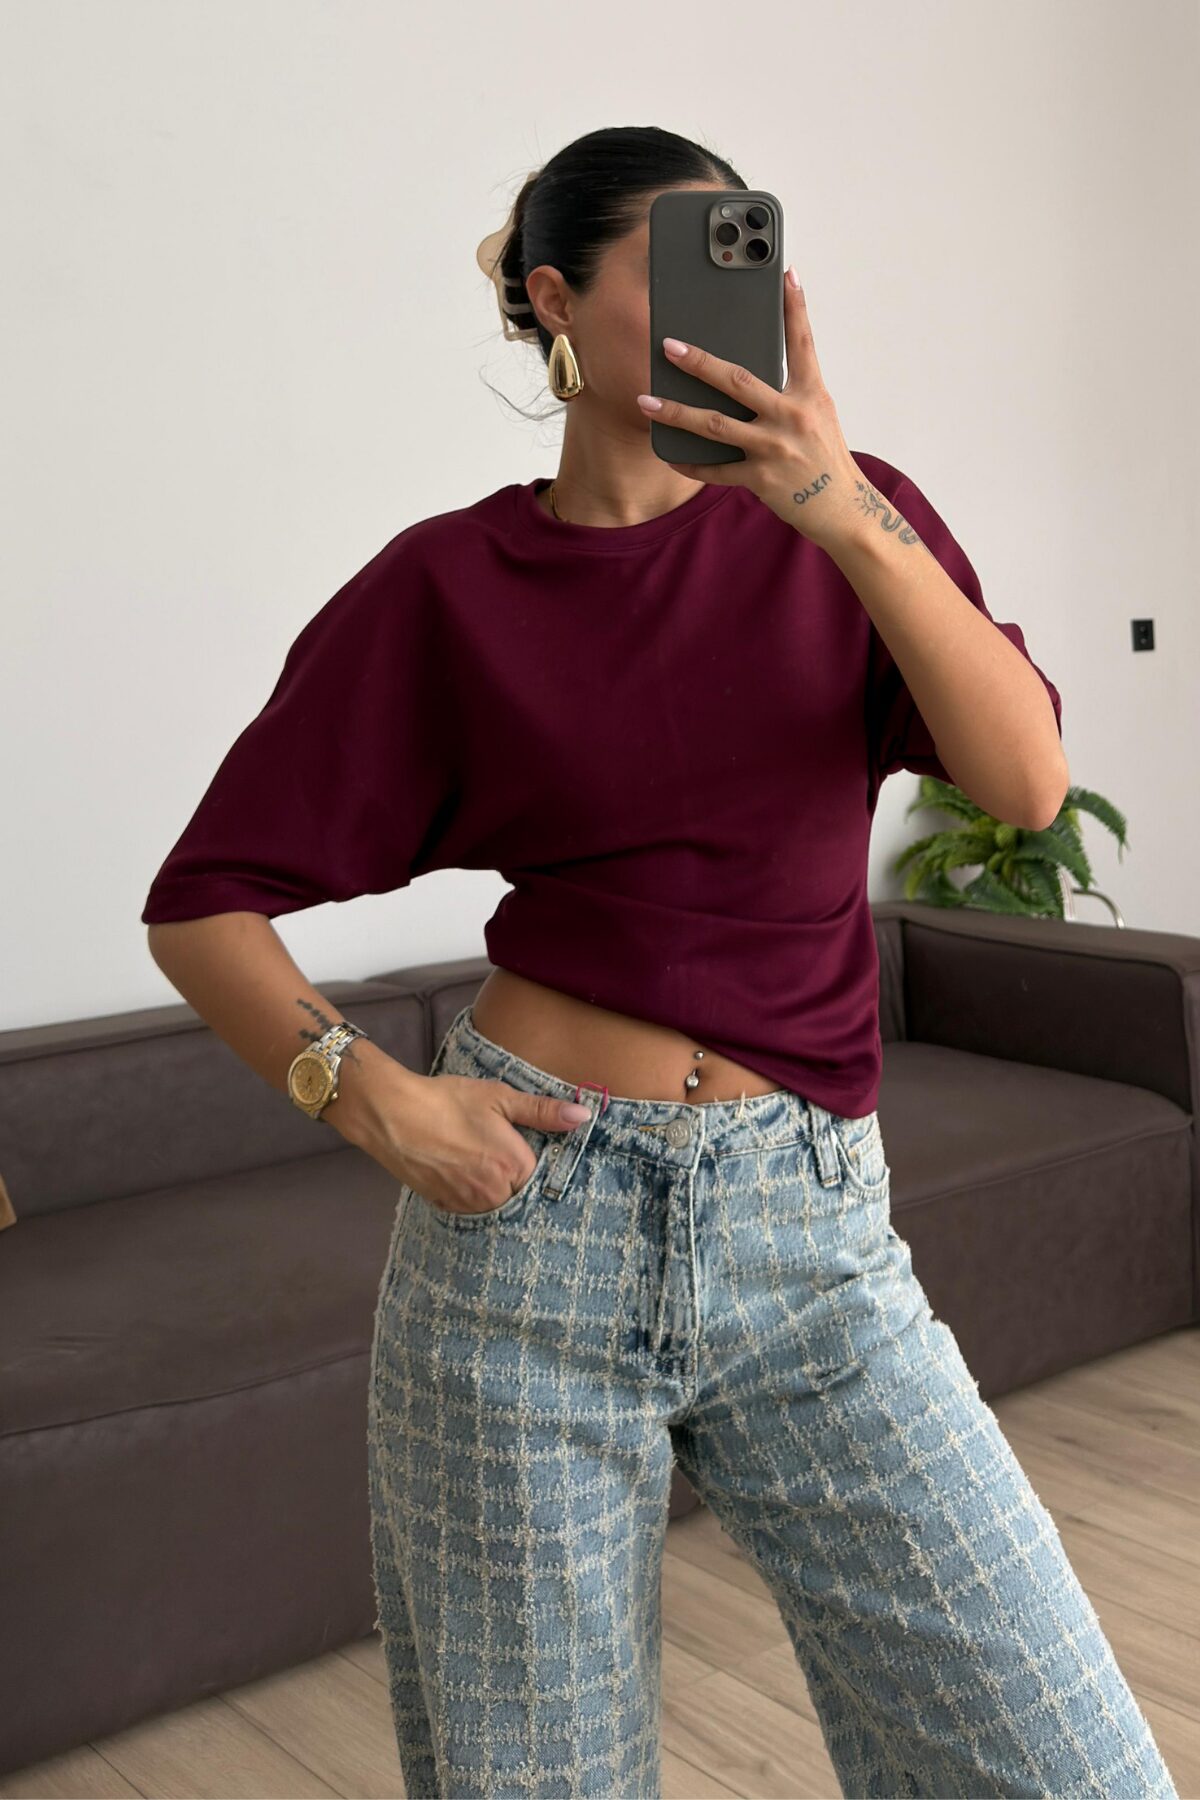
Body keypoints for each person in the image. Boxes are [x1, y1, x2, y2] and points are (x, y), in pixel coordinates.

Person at [142, 126, 1178, 1800]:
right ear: (557, 300)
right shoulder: (449, 585)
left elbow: (1028, 786)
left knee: (1062, 1763)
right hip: (527, 1250)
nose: (733, 305)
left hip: (811, 1235)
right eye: (688, 262)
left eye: (750, 256)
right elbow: (203, 902)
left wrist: (838, 509)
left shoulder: (852, 523)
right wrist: (376, 1103)